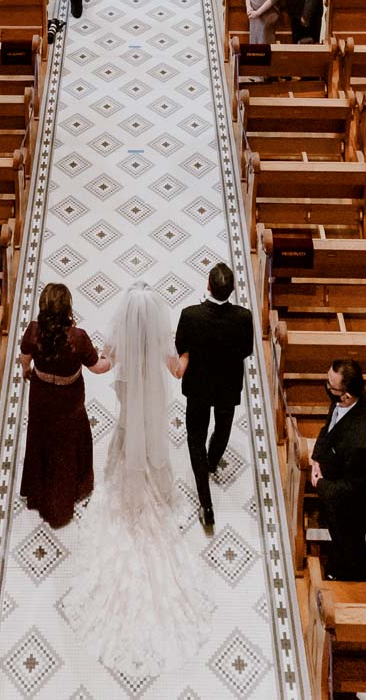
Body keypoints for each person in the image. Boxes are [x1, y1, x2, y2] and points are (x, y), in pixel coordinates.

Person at [60, 283, 215, 679]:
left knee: (127, 431)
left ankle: (128, 479)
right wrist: (189, 351)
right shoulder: (161, 342)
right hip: (151, 406)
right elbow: (177, 370)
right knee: (150, 437)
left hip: (130, 402)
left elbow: (106, 364)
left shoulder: (121, 337)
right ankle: (153, 485)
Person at [19, 283, 112, 528]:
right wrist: (113, 357)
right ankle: (69, 489)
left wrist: (26, 371)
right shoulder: (78, 338)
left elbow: (25, 357)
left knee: (41, 437)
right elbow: (98, 368)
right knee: (67, 442)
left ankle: (39, 489)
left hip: (40, 395)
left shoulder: (33, 331)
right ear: (68, 310)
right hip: (68, 398)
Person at [174, 263, 255, 530]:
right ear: (231, 291)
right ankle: (211, 460)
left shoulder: (190, 315)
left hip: (198, 386)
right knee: (222, 428)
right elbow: (246, 350)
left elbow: (180, 346)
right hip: (227, 386)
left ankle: (205, 502)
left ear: (208, 286)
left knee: (195, 437)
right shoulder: (243, 317)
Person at [310, 357, 366, 582]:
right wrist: (316, 457)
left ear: (347, 395)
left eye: (330, 385)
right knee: (339, 542)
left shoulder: (361, 441)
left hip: (351, 509)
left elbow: (351, 487)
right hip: (336, 491)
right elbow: (330, 426)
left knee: (351, 551)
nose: (326, 387)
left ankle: (353, 588)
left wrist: (320, 484)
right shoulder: (345, 400)